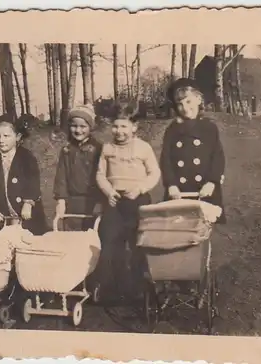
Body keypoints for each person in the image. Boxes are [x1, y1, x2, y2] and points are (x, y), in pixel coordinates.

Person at [95, 99, 161, 300]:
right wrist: (108, 192)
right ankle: (112, 286)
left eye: (124, 126)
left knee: (138, 243)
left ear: (134, 127)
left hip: (138, 201)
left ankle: (138, 286)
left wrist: (140, 189)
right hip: (115, 201)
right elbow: (100, 174)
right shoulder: (107, 148)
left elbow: (154, 173)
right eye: (115, 126)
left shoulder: (143, 148)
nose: (118, 131)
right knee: (110, 240)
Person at [160, 77, 226, 223]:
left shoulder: (209, 128)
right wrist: (171, 184)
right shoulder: (172, 129)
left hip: (204, 188)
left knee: (204, 226)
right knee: (179, 227)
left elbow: (218, 157)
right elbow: (165, 159)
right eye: (180, 104)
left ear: (198, 99)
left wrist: (212, 182)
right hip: (179, 189)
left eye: (188, 101)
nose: (185, 108)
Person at [0, 114, 48, 235]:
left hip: (26, 213)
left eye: (6, 136)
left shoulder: (26, 157)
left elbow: (33, 181)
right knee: (1, 246)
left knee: (29, 244)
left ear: (17, 137)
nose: (1, 140)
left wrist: (28, 203)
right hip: (3, 215)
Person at [53, 104, 103, 231]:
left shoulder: (98, 150)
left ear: (90, 127)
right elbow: (61, 177)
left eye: (83, 126)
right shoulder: (66, 150)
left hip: (92, 201)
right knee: (71, 237)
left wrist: (100, 201)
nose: (78, 130)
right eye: (74, 126)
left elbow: (102, 176)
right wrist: (61, 200)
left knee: (92, 236)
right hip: (71, 201)